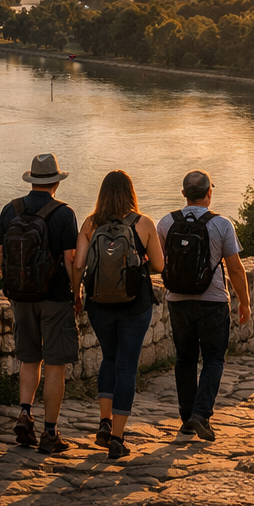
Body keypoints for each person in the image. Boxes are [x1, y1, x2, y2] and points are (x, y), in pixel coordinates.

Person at [73, 170, 165, 459]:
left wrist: (76, 294)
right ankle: (117, 437)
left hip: (99, 304)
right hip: (135, 305)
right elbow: (160, 266)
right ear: (131, 192)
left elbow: (78, 263)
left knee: (109, 359)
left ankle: (104, 422)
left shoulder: (91, 223)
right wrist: (137, 265)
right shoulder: (144, 223)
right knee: (127, 366)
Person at [0, 153, 80, 455]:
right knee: (55, 365)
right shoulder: (63, 214)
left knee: (29, 359)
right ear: (56, 181)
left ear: (32, 180)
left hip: (20, 297)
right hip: (55, 298)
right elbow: (71, 260)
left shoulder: (11, 209)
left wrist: (12, 285)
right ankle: (50, 433)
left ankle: (25, 413)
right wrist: (77, 293)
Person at [157, 170, 251, 441]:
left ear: (184, 194)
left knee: (184, 360)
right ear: (209, 193)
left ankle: (187, 418)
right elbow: (235, 268)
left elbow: (159, 262)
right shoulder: (222, 225)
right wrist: (244, 302)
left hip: (178, 302)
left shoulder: (165, 223)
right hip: (213, 303)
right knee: (212, 359)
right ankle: (201, 415)